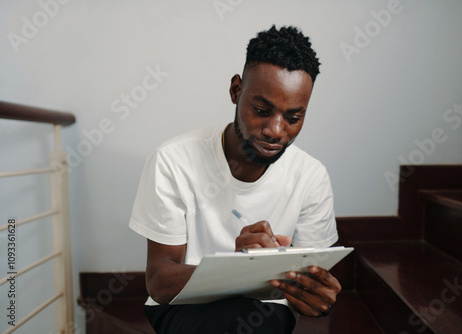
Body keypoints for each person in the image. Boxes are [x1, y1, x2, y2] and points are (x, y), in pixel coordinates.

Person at [129, 25, 341, 334]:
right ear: (235, 91)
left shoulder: (311, 176)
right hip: (184, 305)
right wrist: (239, 268)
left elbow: (306, 284)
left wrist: (316, 296)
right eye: (261, 110)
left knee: (255, 319)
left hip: (266, 311)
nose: (276, 131)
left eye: (293, 117)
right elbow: (160, 283)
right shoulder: (173, 161)